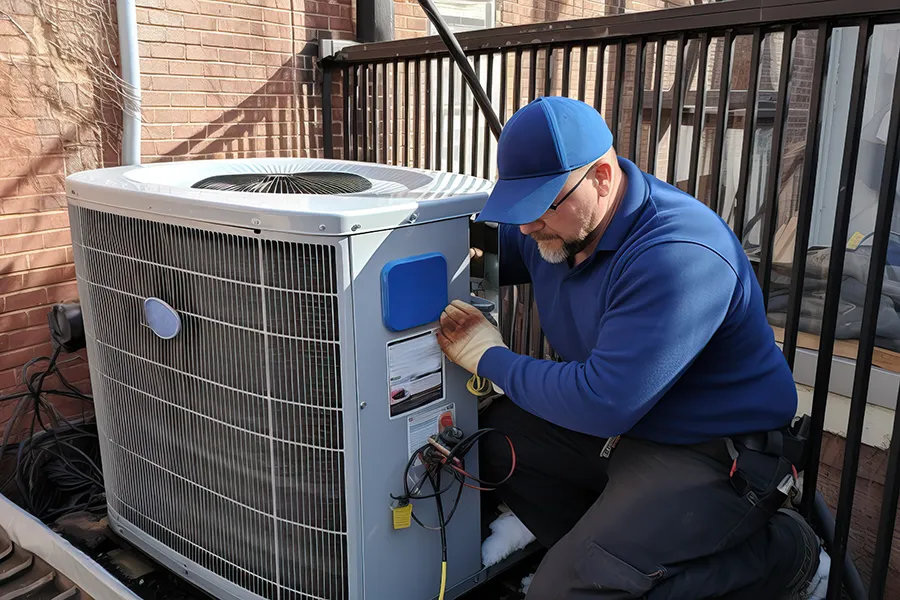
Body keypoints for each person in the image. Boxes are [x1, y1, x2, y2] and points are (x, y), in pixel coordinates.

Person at [435, 96, 824, 599]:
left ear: (601, 176)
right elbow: (493, 247)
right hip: (631, 434)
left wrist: (490, 356)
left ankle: (781, 556)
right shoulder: (564, 229)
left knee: (563, 593)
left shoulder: (676, 253)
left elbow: (603, 401)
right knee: (491, 441)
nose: (527, 228)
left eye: (541, 207)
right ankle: (606, 559)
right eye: (519, 208)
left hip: (708, 452)